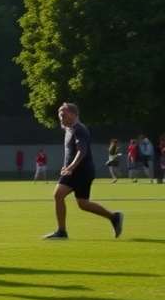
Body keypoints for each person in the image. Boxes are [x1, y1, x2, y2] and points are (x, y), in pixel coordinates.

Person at [45, 103, 123, 240]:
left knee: (58, 195)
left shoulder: (79, 129)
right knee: (83, 204)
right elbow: (71, 152)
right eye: (59, 116)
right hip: (80, 171)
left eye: (63, 115)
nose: (61, 118)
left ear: (74, 114)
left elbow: (82, 150)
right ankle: (114, 217)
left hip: (80, 171)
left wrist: (71, 167)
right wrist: (66, 166)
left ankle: (62, 232)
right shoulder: (69, 130)